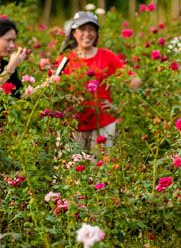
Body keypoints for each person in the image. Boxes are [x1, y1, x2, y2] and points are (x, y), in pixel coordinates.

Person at [55, 11, 141, 150]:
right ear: (74, 33)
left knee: (101, 168)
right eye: (82, 30)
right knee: (70, 168)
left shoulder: (107, 56)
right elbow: (53, 90)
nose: (87, 34)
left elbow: (135, 80)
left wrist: (119, 106)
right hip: (73, 125)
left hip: (103, 125)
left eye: (91, 30)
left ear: (96, 34)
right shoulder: (65, 59)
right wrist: (67, 98)